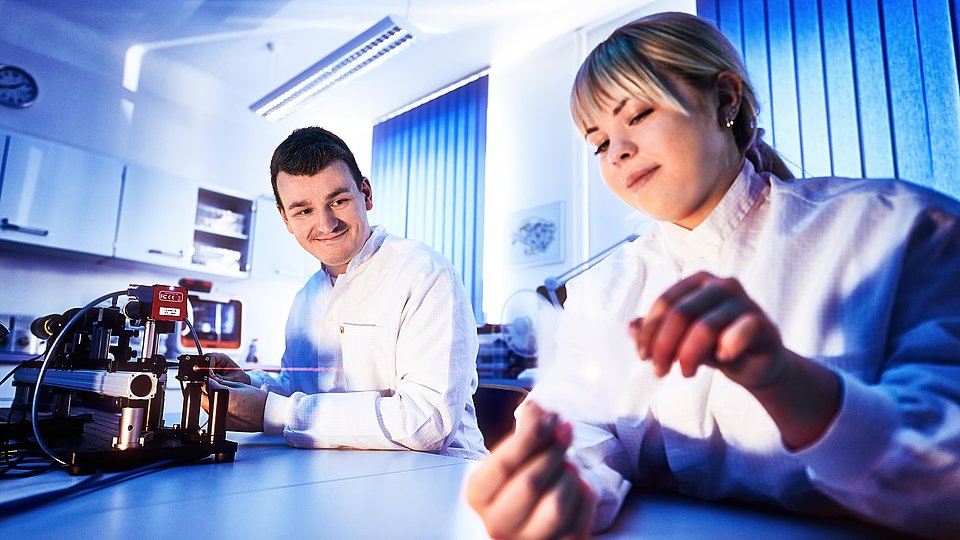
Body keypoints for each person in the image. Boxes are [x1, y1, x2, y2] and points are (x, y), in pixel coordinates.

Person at [466, 11, 960, 539]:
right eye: (600, 143)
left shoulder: (898, 229)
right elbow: (577, 425)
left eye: (638, 115)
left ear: (726, 99)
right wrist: (562, 483)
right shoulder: (604, 289)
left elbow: (946, 471)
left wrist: (787, 382)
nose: (620, 152)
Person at [203, 127, 487, 460]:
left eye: (338, 201)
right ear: (285, 219)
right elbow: (301, 391)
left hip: (440, 477)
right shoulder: (306, 297)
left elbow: (426, 423)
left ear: (365, 194)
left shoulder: (424, 274)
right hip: (342, 473)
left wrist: (270, 412)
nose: (325, 224)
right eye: (303, 211)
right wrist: (249, 384)